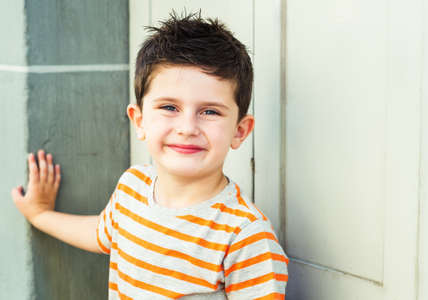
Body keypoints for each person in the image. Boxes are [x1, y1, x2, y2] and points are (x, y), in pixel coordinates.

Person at [11, 12, 289, 299]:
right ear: (140, 121)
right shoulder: (133, 187)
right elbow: (103, 233)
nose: (187, 128)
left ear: (240, 131)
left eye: (210, 112)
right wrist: (40, 214)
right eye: (169, 107)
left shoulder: (245, 235)